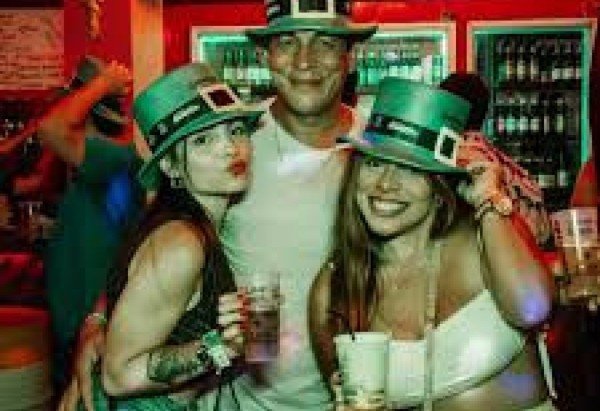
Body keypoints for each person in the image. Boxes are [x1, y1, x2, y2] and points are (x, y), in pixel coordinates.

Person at [64, 1, 376, 410]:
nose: (305, 61)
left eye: (326, 43)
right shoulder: (233, 141)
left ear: (351, 56)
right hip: (236, 399)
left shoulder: (385, 154)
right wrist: (99, 321)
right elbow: (147, 250)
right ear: (264, 56)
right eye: (287, 42)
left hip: (355, 394)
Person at [309, 78, 555, 410]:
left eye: (410, 170)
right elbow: (344, 395)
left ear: (438, 190)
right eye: (374, 163)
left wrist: (488, 203)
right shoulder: (335, 287)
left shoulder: (484, 237)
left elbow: (533, 310)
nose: (386, 185)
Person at [98, 62, 263, 410]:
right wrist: (225, 347)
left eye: (236, 130)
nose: (230, 148)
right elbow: (118, 376)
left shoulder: (201, 225)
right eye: (203, 140)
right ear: (171, 166)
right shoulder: (181, 243)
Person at [38, 55, 146, 392]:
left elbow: (50, 129)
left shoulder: (113, 157)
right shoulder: (100, 164)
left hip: (89, 322)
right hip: (82, 318)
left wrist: (103, 84)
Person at [439, 72, 551, 245]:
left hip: (501, 252)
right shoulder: (502, 160)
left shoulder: (454, 159)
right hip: (534, 252)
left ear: (445, 109)